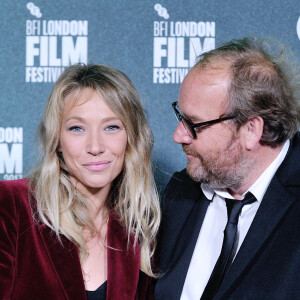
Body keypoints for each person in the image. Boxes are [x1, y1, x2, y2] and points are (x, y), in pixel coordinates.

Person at [154, 37, 300, 299]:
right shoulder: (180, 194)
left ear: (250, 130)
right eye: (180, 117)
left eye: (194, 124)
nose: (179, 135)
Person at [0, 64, 160, 300]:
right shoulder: (12, 205)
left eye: (111, 127)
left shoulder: (139, 232)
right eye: (77, 128)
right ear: (57, 140)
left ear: (131, 138)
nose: (95, 147)